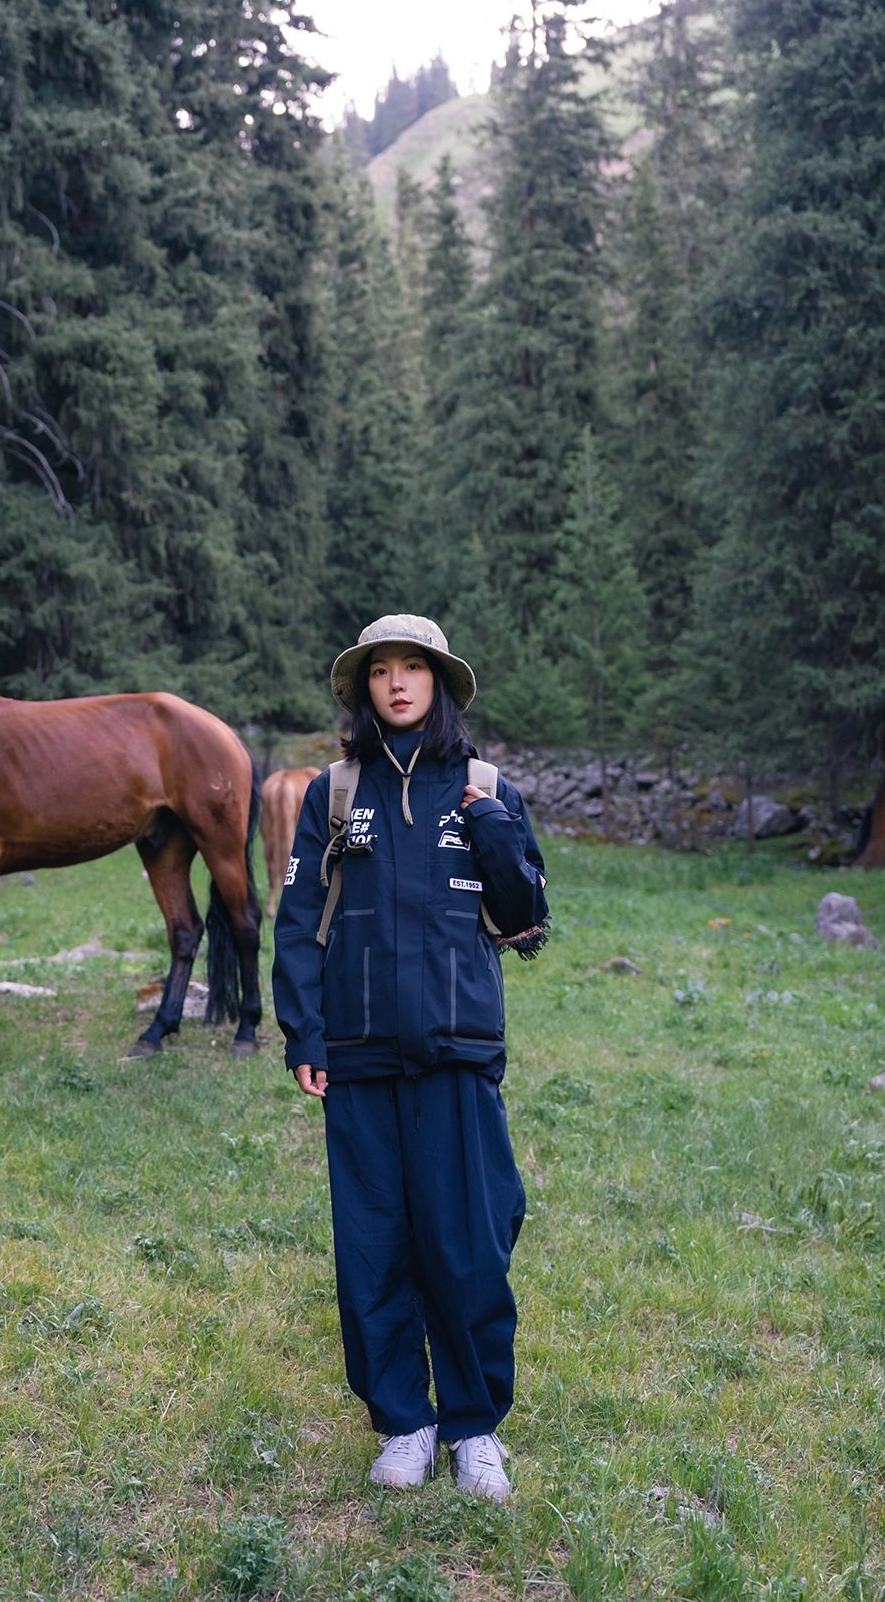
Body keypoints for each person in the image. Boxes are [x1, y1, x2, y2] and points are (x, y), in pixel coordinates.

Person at [272, 614, 549, 1502]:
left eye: (412, 670)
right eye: (380, 671)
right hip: (355, 1058)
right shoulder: (334, 791)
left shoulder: (483, 785)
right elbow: (298, 918)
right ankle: (404, 1421)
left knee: (468, 1243)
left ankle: (475, 1427)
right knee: (374, 1246)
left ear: (439, 684)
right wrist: (304, 1032)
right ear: (365, 690)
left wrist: (498, 831)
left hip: (457, 1052)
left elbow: (527, 918)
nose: (396, 684)